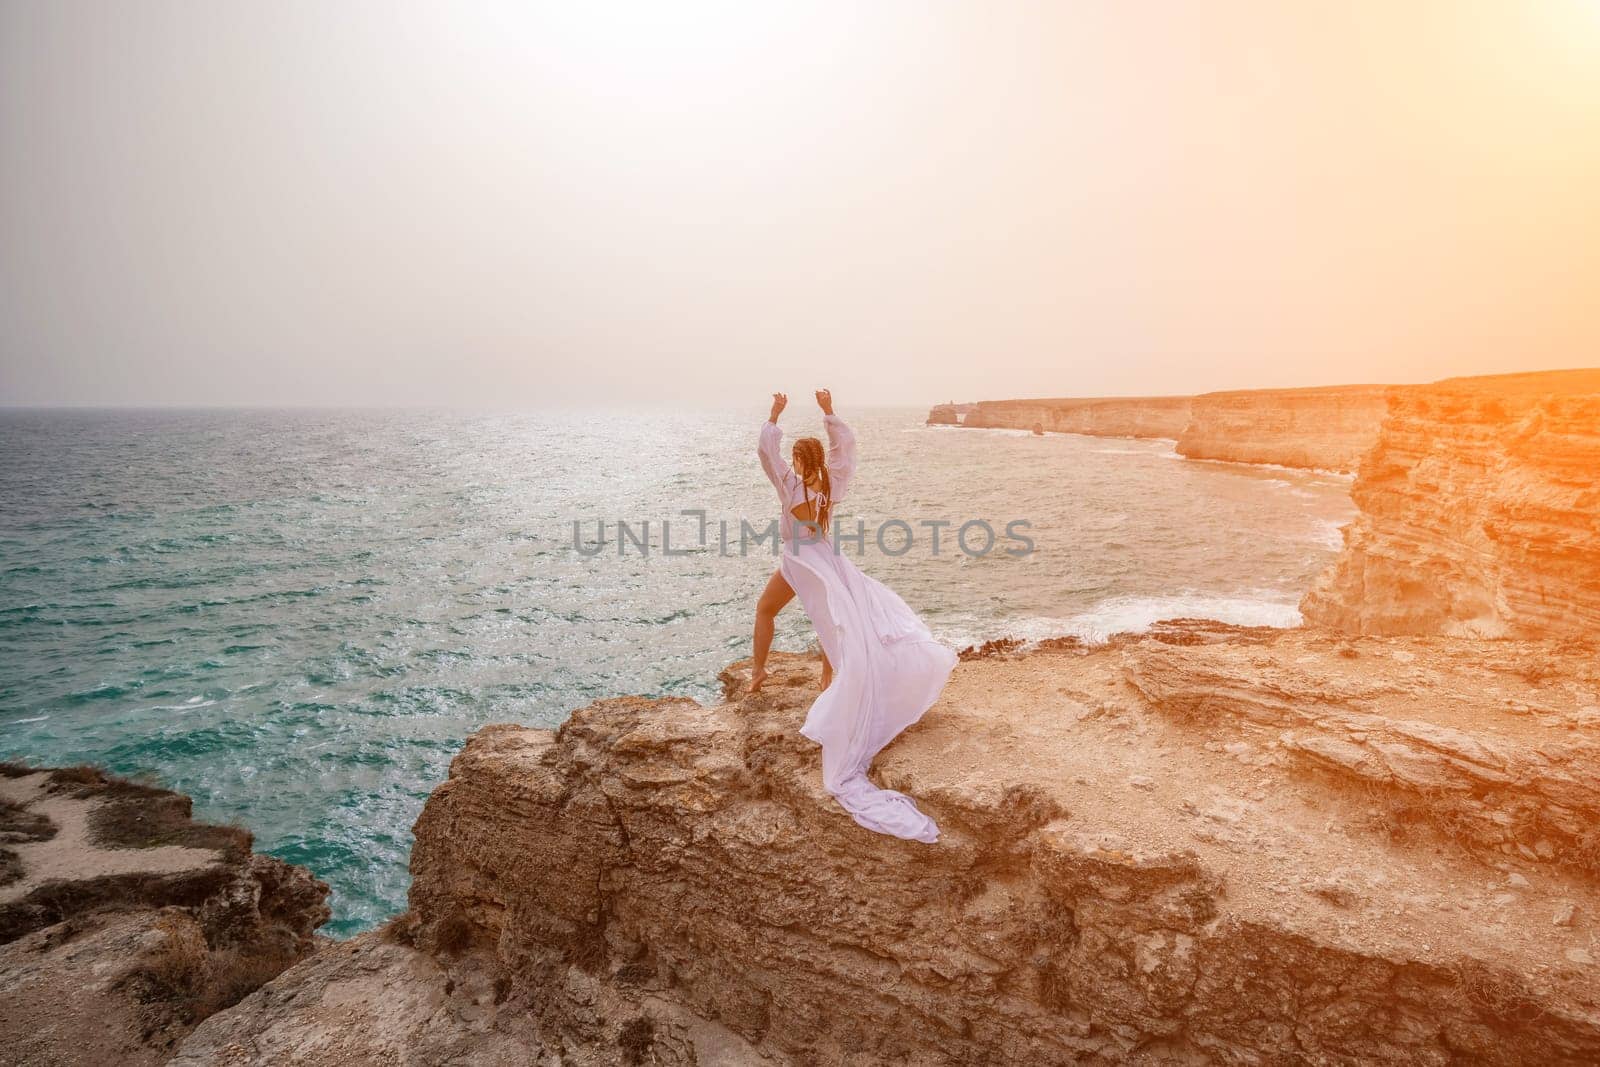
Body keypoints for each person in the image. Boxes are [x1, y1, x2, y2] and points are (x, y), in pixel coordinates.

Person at [749, 388, 957, 843]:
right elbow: (847, 450)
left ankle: (759, 672)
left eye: (795, 459)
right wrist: (829, 413)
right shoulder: (830, 484)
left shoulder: (792, 483)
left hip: (801, 558)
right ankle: (828, 682)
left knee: (768, 610)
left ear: (799, 462)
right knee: (836, 620)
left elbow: (767, 452)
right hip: (828, 555)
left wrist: (774, 415)